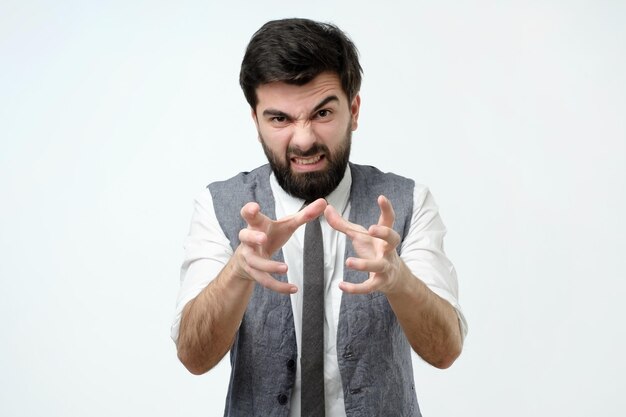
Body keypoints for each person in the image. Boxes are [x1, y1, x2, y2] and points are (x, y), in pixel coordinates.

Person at [171, 17, 467, 417]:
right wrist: (238, 271)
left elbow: (445, 350)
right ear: (255, 122)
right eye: (280, 119)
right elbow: (193, 356)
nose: (305, 138)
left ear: (354, 109)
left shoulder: (409, 201)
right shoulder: (219, 206)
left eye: (322, 113)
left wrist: (399, 280)